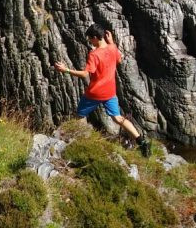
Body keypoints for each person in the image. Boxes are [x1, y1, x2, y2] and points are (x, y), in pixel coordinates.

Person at [54, 24, 151, 157]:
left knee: (80, 116)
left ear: (95, 38)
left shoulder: (94, 54)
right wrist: (111, 42)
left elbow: (85, 74)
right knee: (117, 118)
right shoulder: (112, 47)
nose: (90, 42)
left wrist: (66, 70)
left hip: (94, 93)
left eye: (90, 40)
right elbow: (119, 59)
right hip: (110, 92)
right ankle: (142, 142)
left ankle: (81, 144)